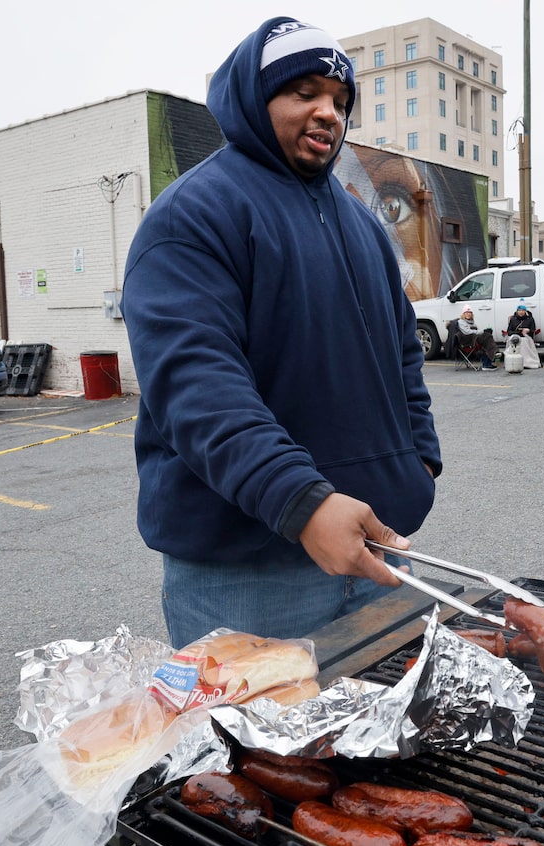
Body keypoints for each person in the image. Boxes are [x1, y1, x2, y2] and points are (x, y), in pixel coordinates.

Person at [120, 18, 441, 648]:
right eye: (305, 93)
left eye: (341, 101)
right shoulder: (193, 216)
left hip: (376, 550)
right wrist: (303, 502)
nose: (328, 113)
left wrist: (418, 460)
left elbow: (402, 353)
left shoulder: (363, 226)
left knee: (376, 745)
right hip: (247, 574)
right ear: (252, 98)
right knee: (261, 748)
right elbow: (198, 387)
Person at [456, 305, 499, 370]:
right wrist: (483, 331)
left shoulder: (472, 322)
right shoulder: (461, 322)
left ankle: (487, 363)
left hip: (474, 338)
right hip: (468, 341)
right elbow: (467, 332)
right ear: (463, 314)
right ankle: (494, 354)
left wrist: (485, 331)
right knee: (486, 337)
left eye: (470, 313)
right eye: (466, 312)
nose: (468, 314)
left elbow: (476, 331)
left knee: (488, 337)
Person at [506, 303, 542, 368]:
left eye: (523, 310)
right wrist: (517, 332)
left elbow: (533, 330)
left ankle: (526, 362)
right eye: (519, 310)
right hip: (515, 336)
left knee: (523, 341)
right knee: (514, 341)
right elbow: (509, 331)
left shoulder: (530, 319)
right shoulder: (513, 319)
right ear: (517, 311)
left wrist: (527, 330)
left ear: (525, 311)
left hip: (526, 337)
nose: (521, 312)